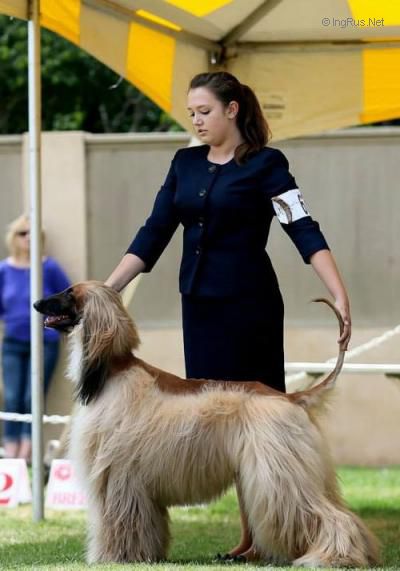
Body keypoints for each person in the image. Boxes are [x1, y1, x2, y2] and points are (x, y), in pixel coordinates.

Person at [105, 71, 351, 560]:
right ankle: (250, 538)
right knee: (220, 427)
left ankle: (275, 532)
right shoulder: (184, 164)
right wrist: (107, 290)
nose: (196, 121)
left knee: (261, 424)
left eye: (205, 112)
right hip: (199, 308)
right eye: (191, 113)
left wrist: (338, 293)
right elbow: (154, 232)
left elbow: (302, 226)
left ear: (232, 109)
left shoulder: (266, 164)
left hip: (250, 307)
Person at [0, 214, 71, 462]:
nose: (28, 238)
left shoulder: (49, 268)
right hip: (13, 342)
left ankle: (27, 453)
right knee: (12, 397)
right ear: (14, 238)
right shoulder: (4, 270)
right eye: (23, 233)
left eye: (33, 233)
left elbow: (68, 298)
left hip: (44, 343)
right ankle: (10, 454)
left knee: (33, 397)